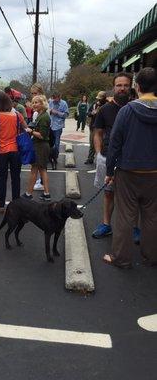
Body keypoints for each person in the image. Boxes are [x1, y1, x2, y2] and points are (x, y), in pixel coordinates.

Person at [103, 67, 157, 267]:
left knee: (125, 216)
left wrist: (109, 172)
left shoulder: (127, 111)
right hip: (154, 174)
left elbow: (115, 143)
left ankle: (121, 258)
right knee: (152, 216)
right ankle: (152, 256)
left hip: (128, 171)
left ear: (137, 86)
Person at [92, 72, 133, 238]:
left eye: (125, 85)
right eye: (119, 85)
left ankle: (134, 228)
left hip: (131, 159)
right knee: (109, 193)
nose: (122, 88)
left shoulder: (135, 107)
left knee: (132, 196)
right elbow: (97, 133)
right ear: (113, 88)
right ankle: (106, 225)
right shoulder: (104, 110)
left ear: (131, 87)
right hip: (109, 158)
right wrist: (98, 154)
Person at [0, 92, 27, 212]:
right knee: (16, 178)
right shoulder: (17, 115)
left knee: (2, 178)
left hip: (1, 151)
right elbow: (25, 128)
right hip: (16, 150)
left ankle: (1, 205)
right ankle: (16, 204)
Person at [22, 94, 51, 201]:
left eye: (36, 102)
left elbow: (42, 135)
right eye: (33, 102)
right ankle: (46, 194)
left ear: (42, 104)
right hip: (41, 146)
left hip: (40, 146)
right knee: (42, 170)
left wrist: (31, 131)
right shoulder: (41, 115)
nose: (34, 104)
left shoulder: (43, 117)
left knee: (34, 170)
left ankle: (28, 194)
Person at [30, 82, 47, 191]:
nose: (33, 96)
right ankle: (45, 189)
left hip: (40, 141)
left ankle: (33, 190)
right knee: (41, 166)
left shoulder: (41, 111)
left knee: (38, 166)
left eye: (35, 93)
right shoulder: (42, 108)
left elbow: (42, 133)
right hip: (40, 141)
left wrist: (31, 131)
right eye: (32, 94)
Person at [84, 91, 107, 164]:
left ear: (104, 98)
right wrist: (92, 113)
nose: (98, 100)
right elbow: (88, 113)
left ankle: (101, 159)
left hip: (103, 127)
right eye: (98, 98)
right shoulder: (94, 104)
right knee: (92, 143)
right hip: (93, 126)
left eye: (100, 99)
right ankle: (90, 158)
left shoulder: (107, 105)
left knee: (102, 144)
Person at [49, 91, 69, 165]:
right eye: (53, 98)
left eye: (56, 98)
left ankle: (55, 157)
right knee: (50, 142)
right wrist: (50, 111)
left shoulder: (64, 103)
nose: (54, 100)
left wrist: (57, 112)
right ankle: (49, 157)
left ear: (59, 97)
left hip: (58, 126)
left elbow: (66, 115)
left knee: (56, 143)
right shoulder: (50, 102)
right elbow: (48, 111)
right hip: (50, 125)